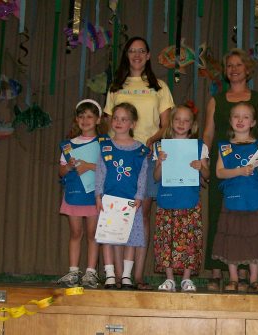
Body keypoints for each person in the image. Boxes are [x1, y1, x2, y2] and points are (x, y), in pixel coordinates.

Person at [104, 36, 174, 290]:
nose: (136, 55)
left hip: (147, 155)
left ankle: (139, 275)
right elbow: (107, 122)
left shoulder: (160, 87)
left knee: (142, 214)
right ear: (127, 55)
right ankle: (120, 276)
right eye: (131, 51)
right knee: (117, 213)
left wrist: (149, 142)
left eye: (141, 51)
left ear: (148, 56)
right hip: (120, 159)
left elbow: (166, 124)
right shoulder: (116, 87)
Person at [203, 48, 258, 292]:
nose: (233, 69)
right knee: (220, 217)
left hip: (251, 167)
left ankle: (244, 274)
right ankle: (216, 271)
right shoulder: (216, 100)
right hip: (223, 163)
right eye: (229, 65)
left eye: (238, 65)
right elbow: (208, 133)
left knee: (247, 218)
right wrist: (203, 161)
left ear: (247, 69)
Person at [212, 102, 258, 293]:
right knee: (233, 239)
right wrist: (238, 171)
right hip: (233, 199)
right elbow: (219, 173)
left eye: (245, 117)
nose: (240, 120)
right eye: (236, 116)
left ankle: (253, 279)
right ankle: (233, 278)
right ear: (230, 121)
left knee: (254, 239)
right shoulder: (225, 147)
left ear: (253, 122)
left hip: (254, 199)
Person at [153, 104, 209, 292]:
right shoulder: (161, 146)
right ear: (171, 122)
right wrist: (160, 162)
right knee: (166, 239)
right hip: (167, 200)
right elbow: (156, 177)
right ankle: (169, 278)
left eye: (186, 120)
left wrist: (201, 167)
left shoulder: (200, 147)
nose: (181, 123)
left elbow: (207, 176)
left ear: (192, 124)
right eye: (177, 119)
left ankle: (186, 278)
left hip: (189, 201)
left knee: (190, 240)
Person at [95, 102, 149, 289]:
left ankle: (126, 276)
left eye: (124, 119)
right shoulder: (105, 147)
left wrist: (139, 197)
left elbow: (142, 175)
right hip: (109, 201)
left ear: (132, 124)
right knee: (107, 237)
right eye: (116, 118)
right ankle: (110, 275)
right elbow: (100, 172)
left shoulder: (140, 150)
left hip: (131, 202)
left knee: (131, 238)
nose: (118, 122)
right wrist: (98, 195)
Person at [57, 99, 106, 288]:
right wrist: (68, 167)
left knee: (93, 234)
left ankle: (90, 272)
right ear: (76, 119)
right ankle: (73, 272)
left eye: (90, 116)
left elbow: (107, 168)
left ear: (98, 120)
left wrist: (89, 166)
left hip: (94, 196)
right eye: (81, 116)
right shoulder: (68, 146)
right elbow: (60, 172)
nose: (85, 120)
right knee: (76, 232)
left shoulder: (104, 143)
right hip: (75, 194)